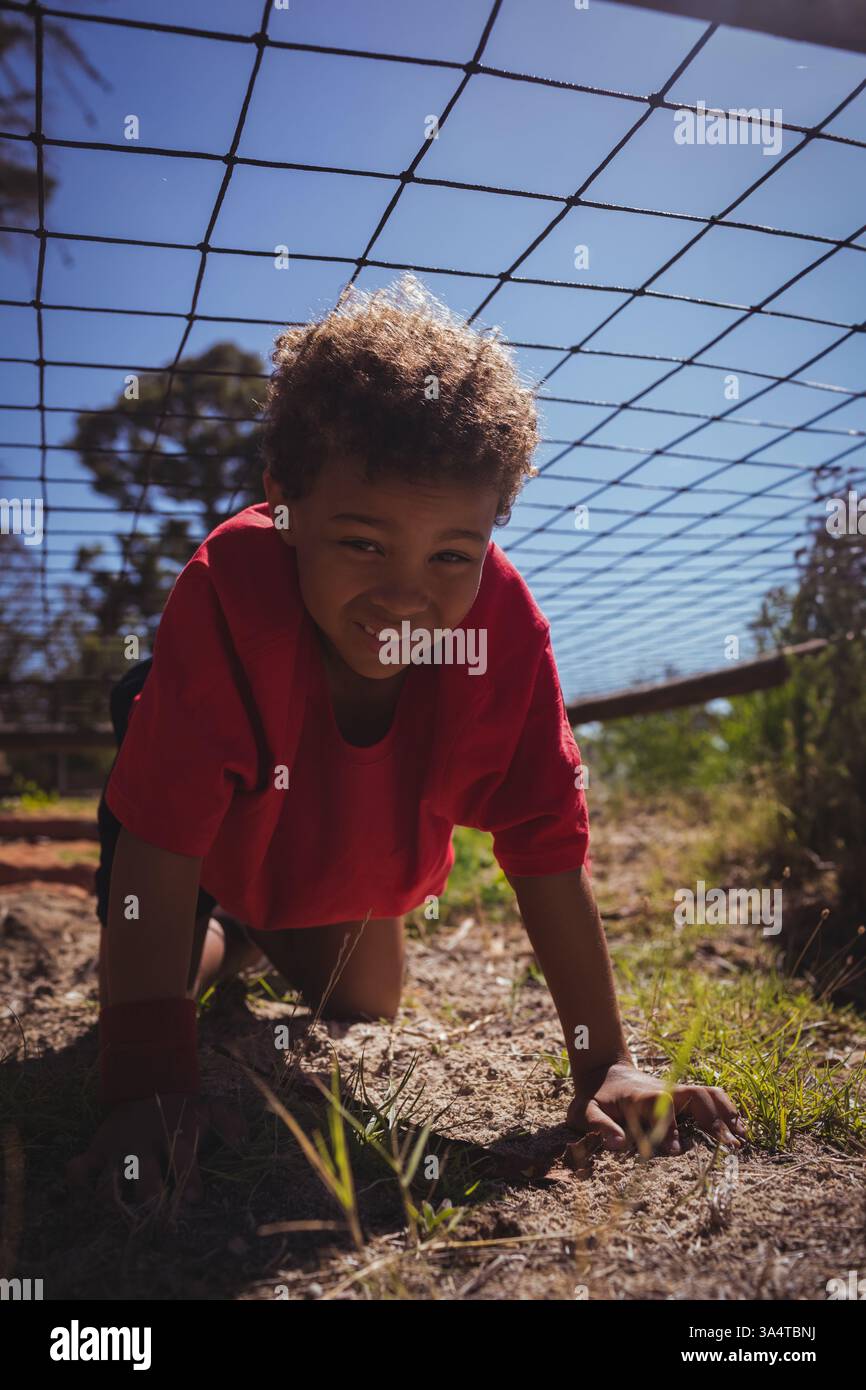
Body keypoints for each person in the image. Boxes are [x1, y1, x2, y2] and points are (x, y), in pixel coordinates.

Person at [68, 275, 746, 1206]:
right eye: (361, 544)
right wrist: (147, 1088)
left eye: (450, 557)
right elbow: (160, 844)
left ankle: (245, 924)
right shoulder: (225, 597)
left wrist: (607, 1066)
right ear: (283, 507)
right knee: (163, 972)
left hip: (331, 821)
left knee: (365, 1004)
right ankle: (214, 925)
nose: (404, 596)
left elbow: (548, 844)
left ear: (489, 539)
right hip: (192, 835)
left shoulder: (503, 634)